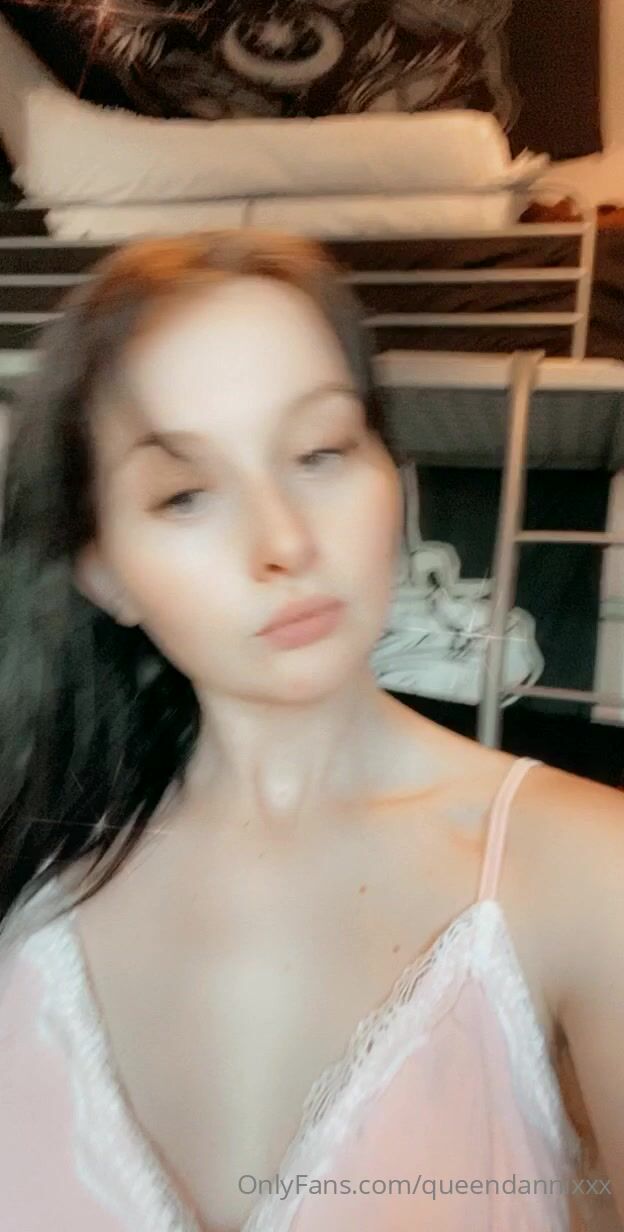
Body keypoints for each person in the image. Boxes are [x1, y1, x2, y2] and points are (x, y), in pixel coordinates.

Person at [0, 229, 622, 1232]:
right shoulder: (27, 887)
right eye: (186, 494)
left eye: (322, 452)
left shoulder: (589, 870)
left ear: (391, 478)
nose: (284, 542)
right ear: (103, 570)